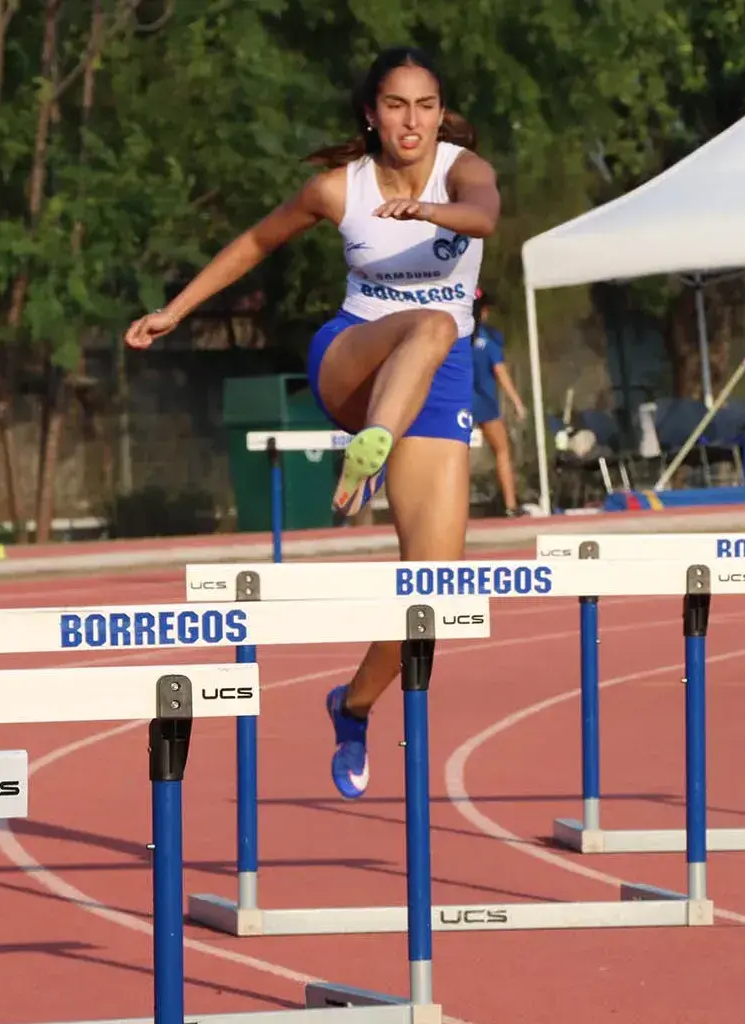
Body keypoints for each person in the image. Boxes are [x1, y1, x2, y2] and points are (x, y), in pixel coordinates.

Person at [122, 45, 499, 800]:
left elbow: (483, 216)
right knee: (428, 322)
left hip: (436, 380)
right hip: (354, 362)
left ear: (440, 114)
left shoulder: (462, 169)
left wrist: (427, 208)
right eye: (396, 106)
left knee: (438, 599)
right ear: (372, 113)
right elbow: (257, 242)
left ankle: (353, 703)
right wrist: (175, 310)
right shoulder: (338, 189)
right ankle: (371, 448)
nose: (412, 121)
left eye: (425, 106)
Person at [468, 289, 527, 515]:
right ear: (481, 311)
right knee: (502, 451)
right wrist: (517, 402)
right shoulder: (489, 339)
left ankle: (456, 509)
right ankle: (510, 505)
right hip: (486, 403)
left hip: (461, 404)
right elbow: (500, 372)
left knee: (458, 459)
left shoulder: (455, 337)